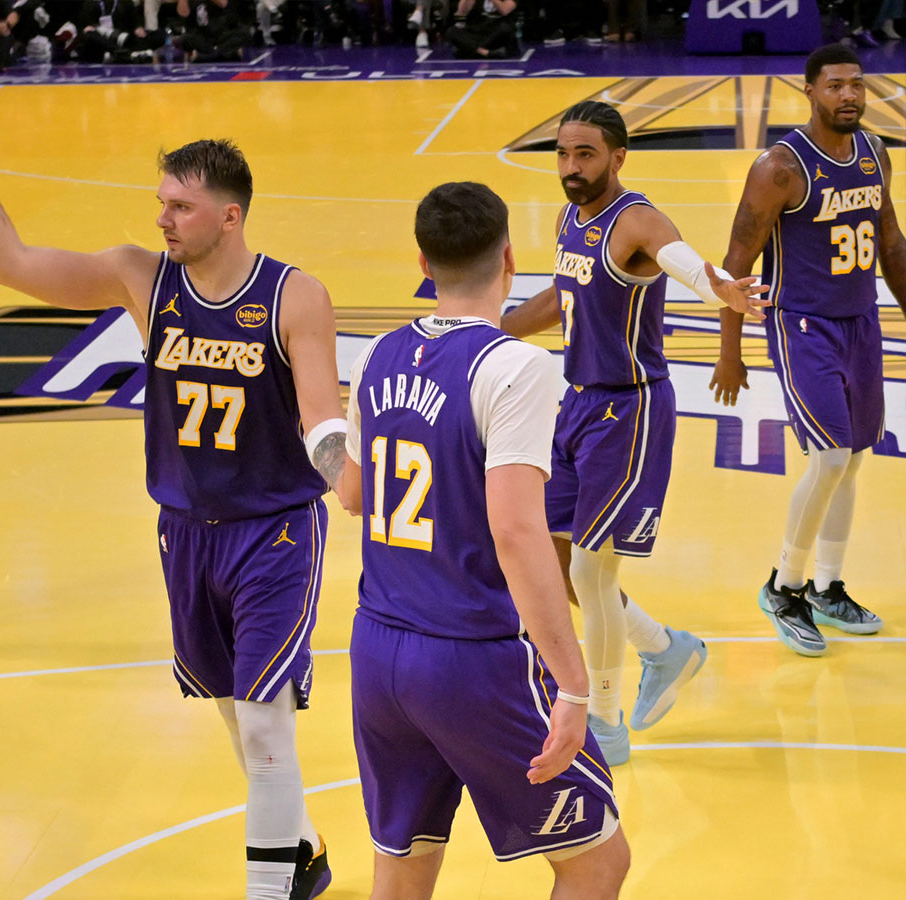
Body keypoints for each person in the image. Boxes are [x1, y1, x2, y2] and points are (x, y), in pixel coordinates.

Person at [0, 46, 340, 900]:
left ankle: (270, 889)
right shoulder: (140, 278)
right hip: (185, 531)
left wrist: (351, 478)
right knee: (239, 719)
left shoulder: (293, 295)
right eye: (161, 202)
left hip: (274, 532)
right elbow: (5, 261)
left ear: (229, 217)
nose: (163, 219)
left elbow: (322, 418)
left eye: (180, 207)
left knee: (265, 724)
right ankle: (302, 848)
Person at [341, 180, 628, 900]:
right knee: (598, 862)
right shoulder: (515, 367)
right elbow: (517, 530)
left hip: (377, 652)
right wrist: (573, 684)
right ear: (508, 258)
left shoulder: (377, 354)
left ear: (423, 262)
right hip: (471, 660)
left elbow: (350, 493)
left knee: (402, 872)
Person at [499, 101, 768, 763]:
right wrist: (493, 330)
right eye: (564, 154)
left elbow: (688, 264)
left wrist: (724, 290)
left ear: (618, 157)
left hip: (631, 411)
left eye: (585, 154)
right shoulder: (569, 218)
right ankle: (664, 648)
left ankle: (605, 722)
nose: (571, 166)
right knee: (554, 558)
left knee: (591, 567)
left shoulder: (637, 220)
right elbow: (560, 297)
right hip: (577, 405)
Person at [712, 43, 905, 656]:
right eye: (835, 85)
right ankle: (783, 587)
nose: (849, 94)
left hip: (861, 321)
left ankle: (826, 586)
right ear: (810, 92)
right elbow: (736, 263)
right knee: (829, 456)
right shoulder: (781, 167)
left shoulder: (875, 153)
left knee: (853, 459)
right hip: (803, 324)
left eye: (857, 84)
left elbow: (892, 244)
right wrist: (729, 351)